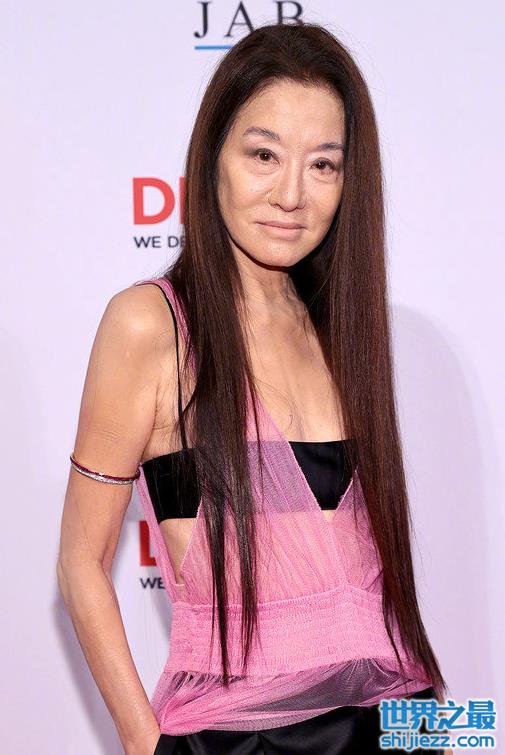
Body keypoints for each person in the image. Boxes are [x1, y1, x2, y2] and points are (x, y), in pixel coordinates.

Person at [57, 21, 451, 755]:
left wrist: (437, 730)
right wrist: (145, 743)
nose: (291, 194)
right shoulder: (151, 324)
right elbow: (82, 560)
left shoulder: (340, 327)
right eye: (263, 154)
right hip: (239, 736)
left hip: (401, 721)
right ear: (213, 156)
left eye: (323, 165)